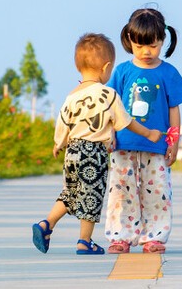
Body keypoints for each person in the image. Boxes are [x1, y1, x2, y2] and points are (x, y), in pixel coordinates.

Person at [32, 33, 162, 255]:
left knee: (71, 193)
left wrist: (58, 143)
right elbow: (126, 122)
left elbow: (63, 122)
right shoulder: (108, 94)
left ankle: (47, 224)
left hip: (72, 151)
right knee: (92, 195)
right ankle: (85, 241)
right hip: (94, 153)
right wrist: (149, 133)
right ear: (106, 67)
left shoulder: (72, 96)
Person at [104, 7, 182, 254]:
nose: (146, 52)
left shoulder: (168, 73)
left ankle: (154, 236)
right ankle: (120, 235)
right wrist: (109, 134)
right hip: (122, 144)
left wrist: (174, 141)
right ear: (130, 40)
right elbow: (111, 106)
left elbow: (174, 110)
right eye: (140, 46)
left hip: (156, 146)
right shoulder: (121, 72)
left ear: (163, 39)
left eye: (152, 45)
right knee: (121, 192)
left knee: (157, 193)